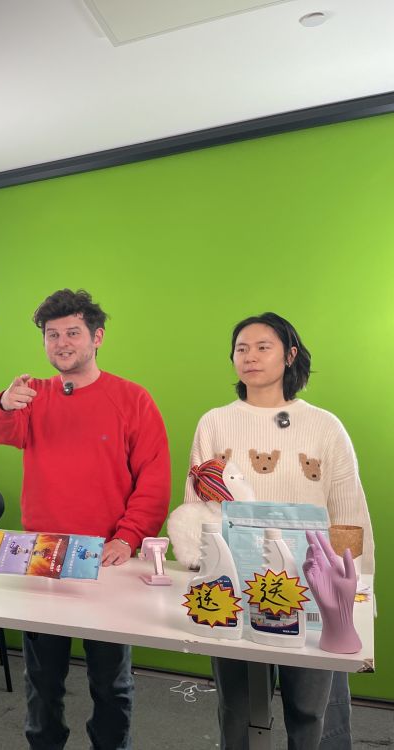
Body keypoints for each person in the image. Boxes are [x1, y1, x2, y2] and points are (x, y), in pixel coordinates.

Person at [0, 288, 171, 750]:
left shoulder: (132, 398)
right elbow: (1, 431)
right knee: (42, 679)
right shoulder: (34, 394)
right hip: (44, 555)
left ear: (97, 337)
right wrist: (5, 402)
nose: (61, 343)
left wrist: (128, 537)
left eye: (72, 333)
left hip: (107, 557)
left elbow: (154, 478)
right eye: (52, 335)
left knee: (111, 681)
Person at [183, 312, 374, 749]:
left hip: (313, 587)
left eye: (262, 347)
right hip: (234, 583)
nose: (249, 356)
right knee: (238, 708)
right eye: (241, 348)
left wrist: (356, 589)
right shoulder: (214, 422)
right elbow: (198, 506)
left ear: (289, 355)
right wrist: (201, 569)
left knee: (311, 710)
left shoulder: (324, 425)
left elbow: (348, 510)